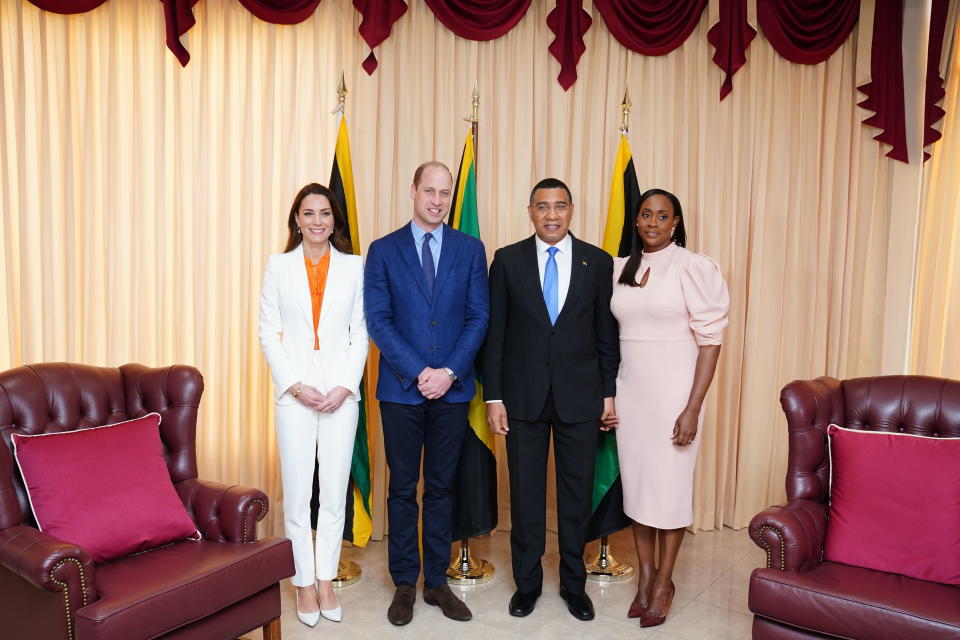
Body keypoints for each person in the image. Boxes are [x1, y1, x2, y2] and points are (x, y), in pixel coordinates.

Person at [483, 178, 620, 622]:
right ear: (530, 211)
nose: (552, 214)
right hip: (522, 399)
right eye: (543, 206)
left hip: (580, 398)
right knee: (524, 496)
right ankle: (527, 584)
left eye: (560, 206)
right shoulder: (507, 260)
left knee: (575, 496)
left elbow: (606, 334)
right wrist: (494, 396)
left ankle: (574, 585)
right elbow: (496, 334)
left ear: (572, 210)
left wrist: (608, 393)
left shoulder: (597, 262)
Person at [364, 161, 489, 626]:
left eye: (444, 192)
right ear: (413, 191)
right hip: (400, 392)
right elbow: (379, 320)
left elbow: (479, 316)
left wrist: (450, 371)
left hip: (453, 393)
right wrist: (420, 372)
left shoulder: (470, 249)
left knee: (441, 488)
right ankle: (403, 582)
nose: (437, 200)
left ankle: (435, 582)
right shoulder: (383, 250)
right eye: (429, 191)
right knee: (401, 489)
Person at [610, 188, 729, 628]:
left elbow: (711, 342)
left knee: (670, 491)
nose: (653, 223)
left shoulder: (693, 267)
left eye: (663, 216)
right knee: (640, 490)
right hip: (631, 395)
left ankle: (665, 581)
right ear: (636, 220)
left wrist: (692, 407)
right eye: (646, 214)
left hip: (675, 396)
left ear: (675, 222)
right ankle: (644, 577)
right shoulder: (619, 268)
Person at [258, 183, 368, 626]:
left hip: (341, 395)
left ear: (334, 220)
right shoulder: (278, 266)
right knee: (300, 493)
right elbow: (268, 332)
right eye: (309, 214)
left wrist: (344, 386)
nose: (317, 221)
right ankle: (303, 582)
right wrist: (296, 386)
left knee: (335, 494)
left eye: (325, 213)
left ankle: (326, 579)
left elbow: (360, 332)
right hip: (296, 396)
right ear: (297, 220)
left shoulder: (355, 267)